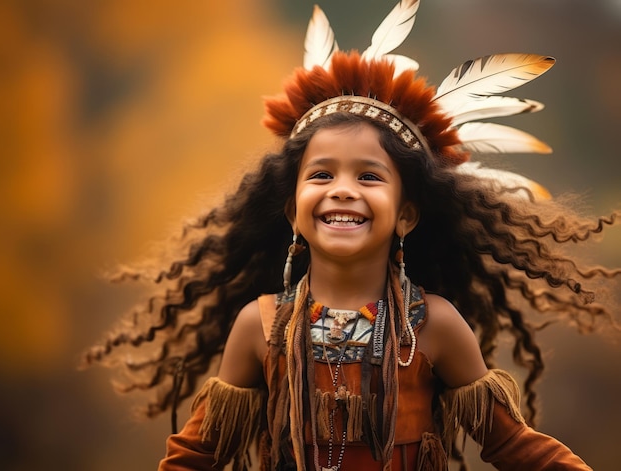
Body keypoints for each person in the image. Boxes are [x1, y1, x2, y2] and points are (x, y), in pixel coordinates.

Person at [83, 1, 620, 469]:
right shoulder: (262, 327)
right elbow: (193, 459)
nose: (342, 190)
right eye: (321, 175)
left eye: (368, 176)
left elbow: (518, 450)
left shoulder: (433, 327)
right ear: (293, 211)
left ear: (406, 215)